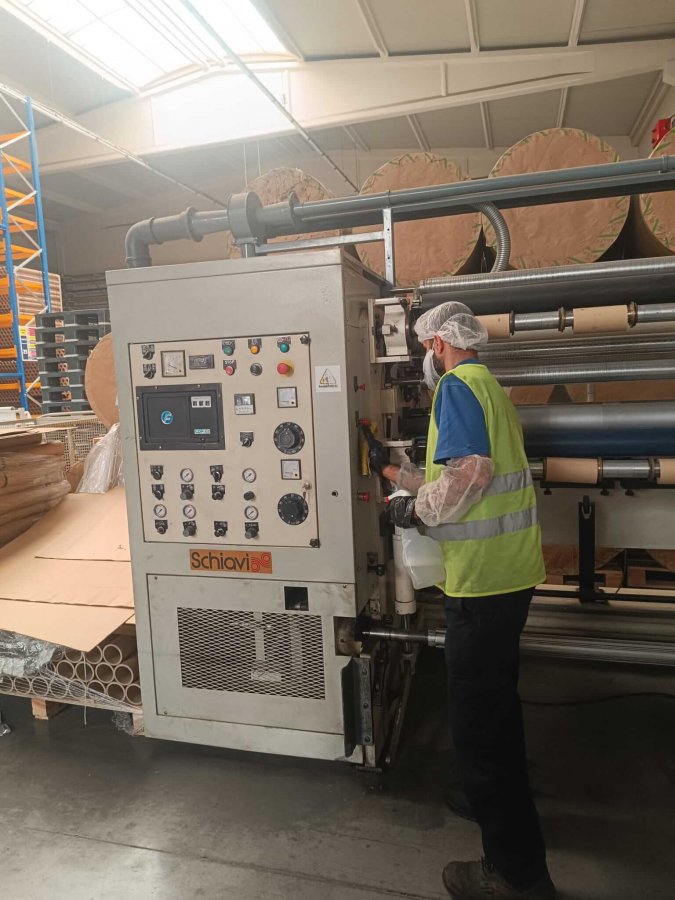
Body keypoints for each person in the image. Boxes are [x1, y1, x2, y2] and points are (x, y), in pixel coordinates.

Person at [368, 301, 555, 900]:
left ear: (438, 345)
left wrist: (412, 513)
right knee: (496, 706)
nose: (426, 359)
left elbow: (469, 476)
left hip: (483, 584)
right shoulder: (489, 387)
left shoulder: (454, 387)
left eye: (426, 348)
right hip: (509, 574)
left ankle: (516, 874)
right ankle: (486, 796)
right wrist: (393, 475)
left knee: (479, 726)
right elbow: (461, 478)